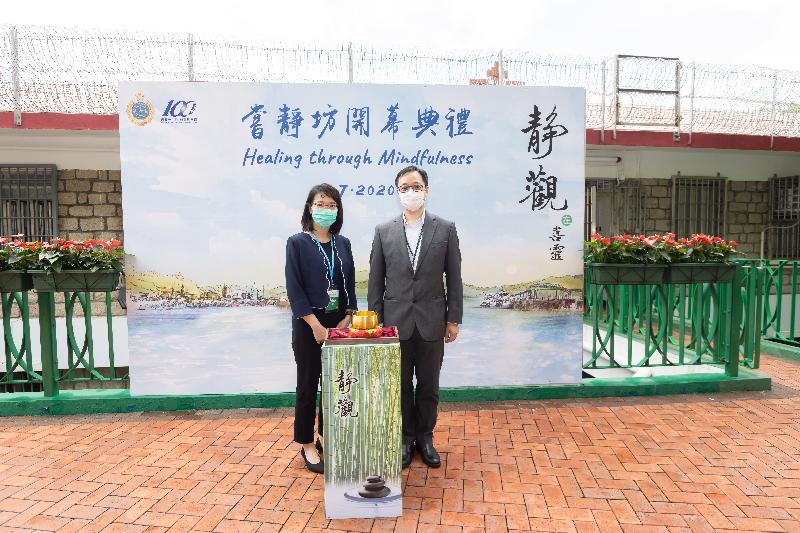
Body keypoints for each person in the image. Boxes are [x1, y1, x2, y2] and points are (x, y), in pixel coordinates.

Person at [368, 165, 463, 469]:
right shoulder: (383, 232)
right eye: (404, 188)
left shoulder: (445, 229)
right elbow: (375, 282)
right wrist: (376, 323)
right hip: (395, 322)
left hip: (432, 321)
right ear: (397, 193)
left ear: (426, 190)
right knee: (399, 385)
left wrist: (453, 319)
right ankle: (406, 438)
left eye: (416, 186)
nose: (411, 192)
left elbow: (455, 278)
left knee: (429, 385)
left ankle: (425, 437)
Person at [285, 183, 357, 473]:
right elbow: (295, 288)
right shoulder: (297, 243)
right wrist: (315, 325)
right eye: (320, 204)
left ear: (337, 210)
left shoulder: (343, 243)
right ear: (309, 208)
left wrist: (349, 315)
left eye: (331, 205)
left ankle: (327, 436)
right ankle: (306, 443)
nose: (325, 210)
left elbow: (349, 282)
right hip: (308, 325)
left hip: (337, 324)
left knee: (334, 385)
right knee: (307, 385)